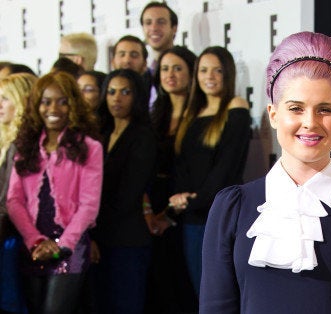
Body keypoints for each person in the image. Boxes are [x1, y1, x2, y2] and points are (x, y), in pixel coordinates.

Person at [199, 32, 331, 314]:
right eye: (296, 108)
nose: (310, 122)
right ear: (273, 114)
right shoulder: (232, 208)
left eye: (324, 110)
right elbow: (215, 308)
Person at [7, 71, 103, 314]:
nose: (54, 108)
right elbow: (14, 200)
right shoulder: (24, 147)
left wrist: (62, 245)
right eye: (46, 101)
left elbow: (89, 205)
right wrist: (36, 241)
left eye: (62, 101)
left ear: (74, 105)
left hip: (70, 248)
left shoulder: (90, 148)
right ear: (36, 105)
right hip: (33, 247)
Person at [168, 46, 251, 298]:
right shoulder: (192, 113)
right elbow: (182, 164)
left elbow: (226, 168)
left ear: (228, 74)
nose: (210, 76)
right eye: (203, 70)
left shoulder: (236, 107)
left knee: (223, 295)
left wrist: (195, 200)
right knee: (201, 293)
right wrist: (180, 198)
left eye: (217, 70)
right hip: (192, 219)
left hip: (221, 216)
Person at [91, 69, 156, 314]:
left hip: (128, 239)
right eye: (111, 92)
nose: (117, 98)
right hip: (100, 237)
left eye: (125, 92)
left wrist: (94, 229)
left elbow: (130, 192)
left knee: (125, 305)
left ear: (137, 97)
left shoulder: (143, 137)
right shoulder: (101, 134)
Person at [144, 45, 198, 314]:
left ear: (192, 73)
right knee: (158, 281)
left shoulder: (200, 114)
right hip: (153, 202)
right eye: (165, 69)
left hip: (185, 203)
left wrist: (171, 212)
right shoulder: (154, 115)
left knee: (184, 281)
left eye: (178, 68)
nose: (170, 75)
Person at [0, 73, 37, 314]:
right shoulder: (7, 139)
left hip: (13, 237)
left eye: (4, 99)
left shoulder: (23, 144)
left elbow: (9, 198)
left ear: (22, 101)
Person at [140, 2, 178, 73]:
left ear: (174, 28)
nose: (154, 28)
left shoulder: (188, 65)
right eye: (148, 23)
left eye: (161, 22)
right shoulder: (139, 67)